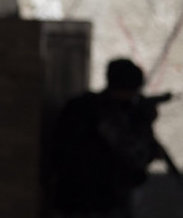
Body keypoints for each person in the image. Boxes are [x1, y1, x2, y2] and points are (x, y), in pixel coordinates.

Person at [51, 58, 161, 218]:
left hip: (76, 197)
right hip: (98, 200)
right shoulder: (104, 114)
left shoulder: (80, 105)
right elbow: (135, 153)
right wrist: (143, 124)